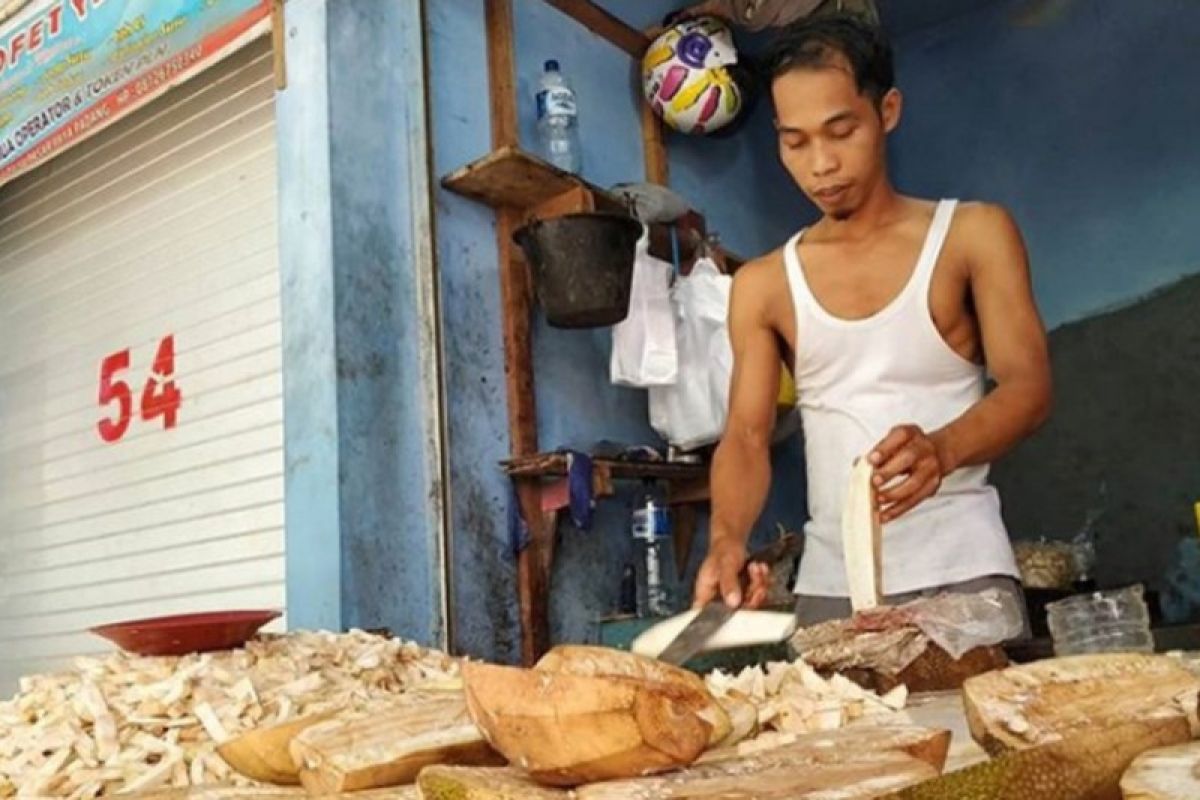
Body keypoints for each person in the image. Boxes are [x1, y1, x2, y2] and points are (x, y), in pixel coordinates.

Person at [692, 14, 1052, 631]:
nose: (821, 164)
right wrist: (727, 536)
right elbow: (747, 437)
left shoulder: (972, 236)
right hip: (831, 592)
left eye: (841, 131)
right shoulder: (763, 285)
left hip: (962, 570)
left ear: (887, 111)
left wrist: (943, 449)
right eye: (795, 141)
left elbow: (1028, 386)